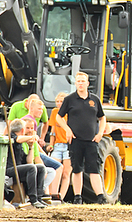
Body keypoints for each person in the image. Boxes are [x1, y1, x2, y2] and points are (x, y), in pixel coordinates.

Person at [55, 72, 107, 205]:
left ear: (88, 83)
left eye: (83, 81)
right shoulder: (70, 99)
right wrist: (67, 129)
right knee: (77, 168)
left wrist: (100, 133)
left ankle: (101, 197)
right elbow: (58, 117)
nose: (80, 83)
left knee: (94, 169)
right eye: (78, 81)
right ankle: (78, 197)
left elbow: (102, 117)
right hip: (75, 140)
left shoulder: (94, 100)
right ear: (75, 83)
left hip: (91, 141)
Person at [5, 119, 47, 208]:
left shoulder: (21, 143)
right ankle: (33, 199)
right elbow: (18, 139)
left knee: (40, 168)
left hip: (18, 169)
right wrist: (32, 137)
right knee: (31, 168)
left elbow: (28, 161)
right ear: (22, 130)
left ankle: (39, 198)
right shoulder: (10, 136)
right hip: (9, 170)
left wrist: (31, 147)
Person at [21, 116, 62, 200]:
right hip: (23, 166)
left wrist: (43, 170)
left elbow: (37, 158)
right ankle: (34, 195)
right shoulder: (21, 140)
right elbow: (26, 161)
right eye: (27, 128)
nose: (30, 130)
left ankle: (40, 192)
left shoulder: (34, 141)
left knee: (51, 171)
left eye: (32, 128)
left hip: (32, 166)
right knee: (34, 169)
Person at [47, 92, 72, 201]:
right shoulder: (55, 112)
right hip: (57, 145)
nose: (59, 104)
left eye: (61, 101)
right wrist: (51, 144)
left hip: (68, 145)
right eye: (57, 101)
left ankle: (61, 197)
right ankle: (53, 194)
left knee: (66, 173)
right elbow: (53, 130)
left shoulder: (71, 113)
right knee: (54, 169)